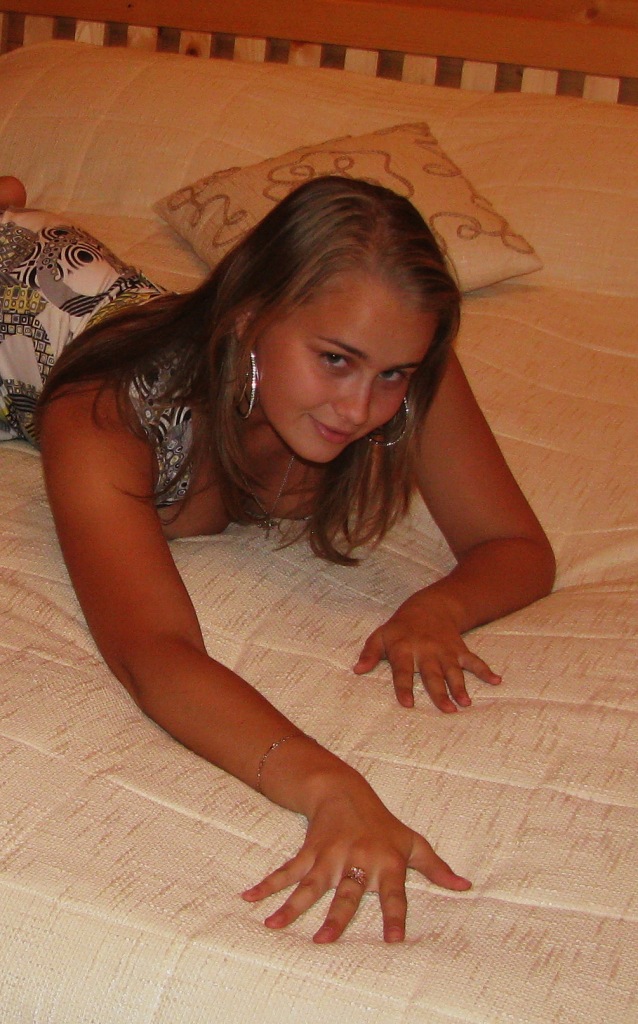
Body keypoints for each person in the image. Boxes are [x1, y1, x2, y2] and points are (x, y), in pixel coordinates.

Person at [0, 174, 555, 943]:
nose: (360, 409)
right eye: (335, 360)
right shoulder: (104, 410)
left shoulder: (393, 347)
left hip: (91, 287)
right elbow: (152, 653)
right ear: (249, 318)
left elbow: (516, 547)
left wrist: (439, 605)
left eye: (392, 375)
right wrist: (330, 787)